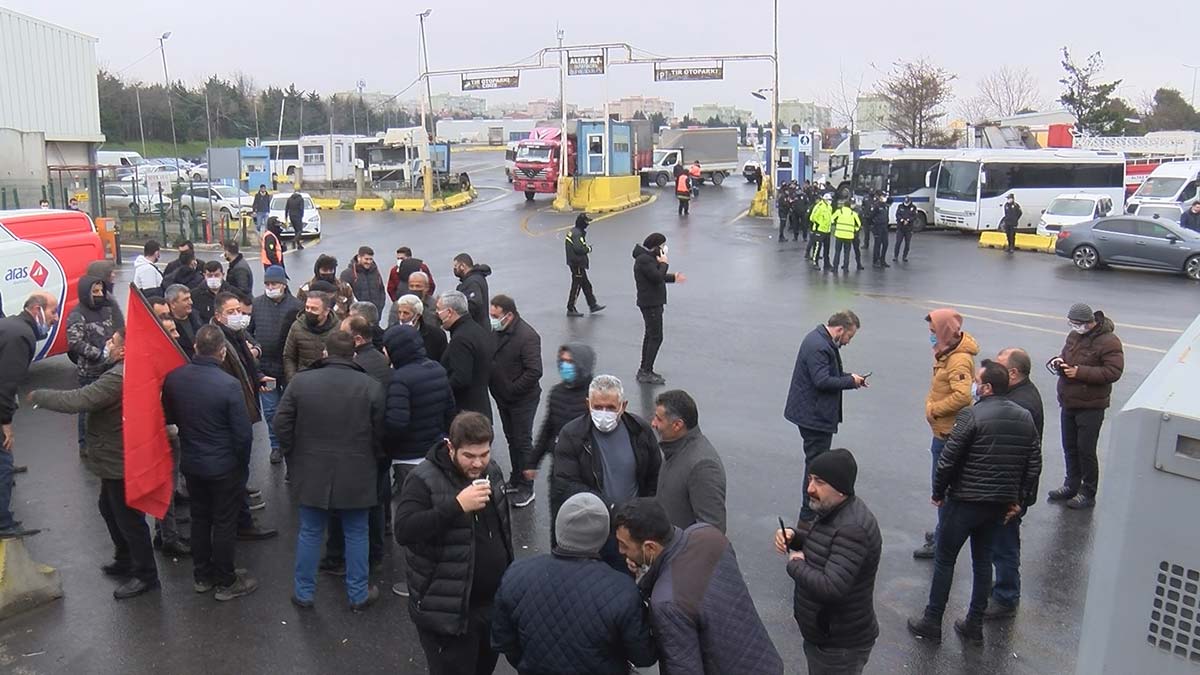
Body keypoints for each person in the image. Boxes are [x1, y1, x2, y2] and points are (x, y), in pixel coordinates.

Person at [907, 360, 1041, 645]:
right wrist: (1021, 499)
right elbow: (1033, 463)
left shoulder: (971, 415)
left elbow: (949, 459)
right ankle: (974, 624)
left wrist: (938, 492)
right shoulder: (1024, 417)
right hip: (998, 505)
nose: (974, 386)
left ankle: (932, 620)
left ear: (988, 387)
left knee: (945, 559)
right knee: (983, 562)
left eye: (978, 381)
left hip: (965, 501)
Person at [29, 331, 161, 599]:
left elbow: (80, 400)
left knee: (128, 517)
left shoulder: (118, 377)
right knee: (109, 508)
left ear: (124, 351)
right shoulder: (123, 369)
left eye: (112, 342)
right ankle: (126, 559)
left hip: (118, 457)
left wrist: (39, 396)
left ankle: (146, 575)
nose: (107, 344)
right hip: (113, 455)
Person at [394, 412, 514, 675]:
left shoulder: (491, 471)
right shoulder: (422, 479)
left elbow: (502, 530)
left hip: (490, 607)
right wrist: (457, 506)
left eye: (484, 454)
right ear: (451, 447)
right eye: (469, 456)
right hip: (448, 612)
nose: (478, 463)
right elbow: (404, 530)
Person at [275, 330, 385, 611]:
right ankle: (358, 594)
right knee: (357, 532)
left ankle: (304, 593)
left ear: (325, 352)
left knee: (310, 532)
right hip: (357, 471)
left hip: (311, 470)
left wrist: (294, 455)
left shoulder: (301, 383)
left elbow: (281, 424)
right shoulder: (370, 386)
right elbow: (381, 435)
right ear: (354, 354)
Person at [491, 492, 656, 675]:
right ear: (603, 536)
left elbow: (504, 641)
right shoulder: (623, 591)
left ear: (559, 526)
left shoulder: (516, 573)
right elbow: (644, 656)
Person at [614, 498, 784, 674]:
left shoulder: (667, 602)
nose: (620, 551)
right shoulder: (707, 535)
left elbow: (683, 668)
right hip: (765, 662)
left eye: (624, 545)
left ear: (650, 547)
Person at [162, 325, 259, 601]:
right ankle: (226, 580)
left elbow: (170, 417)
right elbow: (243, 435)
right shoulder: (228, 385)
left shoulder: (174, 379)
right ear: (222, 351)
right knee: (224, 523)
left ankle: (202, 575)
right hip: (224, 466)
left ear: (195, 347)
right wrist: (241, 465)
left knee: (200, 520)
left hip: (192, 464)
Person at [776, 448, 881, 674]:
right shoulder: (835, 510)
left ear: (841, 488)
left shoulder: (852, 529)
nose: (810, 488)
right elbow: (826, 546)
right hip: (828, 636)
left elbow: (831, 587)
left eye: (820, 482)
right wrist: (795, 538)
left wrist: (795, 565)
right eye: (811, 479)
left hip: (839, 645)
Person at [553, 375, 661, 571]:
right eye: (598, 407)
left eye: (611, 408)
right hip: (591, 527)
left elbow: (654, 476)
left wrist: (644, 515)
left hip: (630, 529)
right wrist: (610, 507)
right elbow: (566, 485)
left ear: (623, 405)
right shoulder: (572, 435)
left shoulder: (640, 431)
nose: (604, 413)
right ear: (588, 404)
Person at [381, 323, 456, 597]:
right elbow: (450, 409)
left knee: (412, 519)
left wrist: (385, 444)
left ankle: (418, 580)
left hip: (408, 457)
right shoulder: (436, 368)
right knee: (435, 510)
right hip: (434, 452)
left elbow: (397, 423)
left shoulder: (400, 379)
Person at [783, 311, 868, 523]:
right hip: (815, 417)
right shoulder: (819, 346)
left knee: (815, 463)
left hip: (813, 413)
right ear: (840, 330)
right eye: (850, 336)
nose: (848, 341)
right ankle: (808, 516)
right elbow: (822, 381)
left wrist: (851, 378)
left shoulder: (820, 340)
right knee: (815, 466)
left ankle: (810, 513)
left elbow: (828, 375)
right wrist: (850, 382)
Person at [914, 308, 979, 560]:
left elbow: (963, 396)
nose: (930, 337)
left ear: (944, 331)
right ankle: (943, 532)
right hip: (942, 431)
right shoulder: (946, 352)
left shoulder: (958, 359)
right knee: (943, 489)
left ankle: (943, 541)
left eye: (933, 332)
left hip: (948, 433)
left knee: (943, 491)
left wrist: (934, 410)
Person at [1047, 303, 1124, 509]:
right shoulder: (1074, 337)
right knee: (1069, 446)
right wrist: (1059, 362)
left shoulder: (1109, 341)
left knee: (1086, 449)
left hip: (1091, 405)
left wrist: (1079, 372)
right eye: (1071, 323)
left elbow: (1113, 372)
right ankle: (1071, 484)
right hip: (1069, 401)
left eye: (1077, 324)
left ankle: (1088, 492)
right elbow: (1066, 356)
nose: (1074, 327)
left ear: (1089, 322)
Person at [987, 347, 1044, 620]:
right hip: (1006, 486)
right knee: (997, 540)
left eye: (999, 367)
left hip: (1009, 490)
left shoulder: (1022, 405)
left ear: (1013, 372)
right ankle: (1000, 589)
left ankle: (1006, 596)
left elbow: (1023, 457)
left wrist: (1017, 498)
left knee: (1005, 542)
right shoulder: (1017, 395)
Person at [0, 292, 59, 539]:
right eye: (53, 312)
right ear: (37, 310)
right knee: (3, 463)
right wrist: (5, 423)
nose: (56, 318)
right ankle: (3, 524)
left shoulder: (12, 326)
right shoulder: (21, 336)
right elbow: (5, 384)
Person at [527, 343, 596, 521]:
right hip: (558, 471)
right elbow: (548, 428)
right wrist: (533, 462)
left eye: (570, 362)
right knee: (558, 522)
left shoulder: (596, 397)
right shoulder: (557, 393)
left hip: (585, 475)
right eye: (562, 361)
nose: (565, 366)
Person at [487, 295, 542, 507]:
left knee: (523, 442)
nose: (492, 320)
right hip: (504, 398)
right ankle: (516, 478)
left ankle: (528, 488)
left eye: (495, 316)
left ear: (509, 315)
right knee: (512, 440)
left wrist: (511, 389)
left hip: (522, 399)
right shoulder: (498, 331)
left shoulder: (527, 336)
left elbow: (534, 371)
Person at [652, 389, 726, 533]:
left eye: (659, 419)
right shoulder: (674, 448)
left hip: (681, 553)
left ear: (677, 425)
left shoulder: (703, 466)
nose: (653, 424)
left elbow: (711, 532)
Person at [248, 265, 301, 465]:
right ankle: (275, 446)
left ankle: (290, 446)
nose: (270, 287)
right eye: (267, 284)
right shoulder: (257, 304)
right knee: (271, 411)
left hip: (289, 371)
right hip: (266, 372)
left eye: (274, 283)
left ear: (284, 285)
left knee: (289, 410)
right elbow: (248, 333)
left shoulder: (296, 306)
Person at [66, 274, 120, 459]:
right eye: (94, 291)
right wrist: (98, 354)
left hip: (109, 367)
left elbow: (114, 331)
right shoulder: (77, 314)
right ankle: (85, 444)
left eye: (100, 291)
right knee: (87, 409)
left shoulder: (106, 310)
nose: (98, 294)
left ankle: (105, 441)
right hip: (89, 370)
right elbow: (75, 343)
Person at [632, 233, 686, 385]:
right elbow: (656, 277)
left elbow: (657, 276)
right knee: (656, 337)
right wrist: (664, 263)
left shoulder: (647, 259)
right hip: (650, 303)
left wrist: (674, 277)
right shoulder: (644, 260)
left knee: (650, 336)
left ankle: (645, 368)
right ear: (656, 247)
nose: (664, 249)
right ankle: (645, 371)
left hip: (652, 302)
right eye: (662, 246)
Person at [437, 290, 494, 420]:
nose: (437, 314)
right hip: (481, 408)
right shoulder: (477, 330)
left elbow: (460, 378)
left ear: (450, 312)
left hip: (466, 414)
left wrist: (438, 390)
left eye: (439, 309)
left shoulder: (460, 339)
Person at [283, 290, 340, 382]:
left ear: (326, 311)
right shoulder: (297, 326)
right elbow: (289, 357)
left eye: (314, 309)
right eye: (307, 308)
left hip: (330, 381)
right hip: (304, 380)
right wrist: (293, 380)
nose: (309, 312)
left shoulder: (338, 328)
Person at [564, 213, 605, 317]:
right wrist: (588, 249)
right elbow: (579, 248)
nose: (588, 224)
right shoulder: (577, 234)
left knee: (586, 284)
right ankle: (571, 308)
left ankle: (592, 304)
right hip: (577, 263)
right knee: (577, 285)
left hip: (576, 263)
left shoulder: (574, 231)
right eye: (586, 222)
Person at [297, 255, 356, 321]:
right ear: (317, 270)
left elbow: (353, 310)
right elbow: (299, 312)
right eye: (324, 270)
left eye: (331, 270)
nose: (328, 272)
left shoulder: (344, 287)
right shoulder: (305, 289)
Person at [395, 293, 446, 362]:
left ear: (417, 315)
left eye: (406, 313)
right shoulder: (391, 333)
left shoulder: (436, 335)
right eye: (399, 312)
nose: (401, 317)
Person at [340, 246, 386, 318]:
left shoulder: (376, 272)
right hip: (356, 317)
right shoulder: (347, 274)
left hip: (374, 316)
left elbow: (381, 290)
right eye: (366, 259)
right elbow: (343, 296)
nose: (369, 262)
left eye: (371, 259)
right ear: (359, 257)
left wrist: (379, 309)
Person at [453, 253, 492, 328]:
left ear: (463, 266)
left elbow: (474, 304)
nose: (454, 269)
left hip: (477, 327)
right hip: (481, 325)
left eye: (455, 266)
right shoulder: (478, 278)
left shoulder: (472, 282)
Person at [831, 199, 863, 272]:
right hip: (849, 236)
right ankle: (846, 268)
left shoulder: (839, 211)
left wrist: (836, 225)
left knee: (837, 252)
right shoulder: (853, 213)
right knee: (847, 253)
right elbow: (859, 224)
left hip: (839, 235)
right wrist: (855, 229)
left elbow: (832, 219)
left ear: (844, 205)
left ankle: (835, 268)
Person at [810, 193, 834, 271]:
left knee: (827, 248)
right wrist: (819, 224)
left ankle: (827, 263)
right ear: (825, 199)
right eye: (829, 200)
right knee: (817, 247)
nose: (830, 201)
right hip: (819, 230)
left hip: (827, 230)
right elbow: (812, 217)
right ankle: (815, 262)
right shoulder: (819, 206)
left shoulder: (829, 207)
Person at [870, 193, 891, 268]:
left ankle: (883, 260)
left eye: (885, 197)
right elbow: (871, 216)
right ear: (880, 197)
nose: (884, 198)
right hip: (877, 227)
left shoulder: (886, 206)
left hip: (884, 226)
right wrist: (874, 227)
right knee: (877, 244)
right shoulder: (876, 206)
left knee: (885, 244)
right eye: (883, 196)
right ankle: (876, 261)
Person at [894, 196, 917, 262]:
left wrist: (908, 220)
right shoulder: (900, 206)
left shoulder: (913, 207)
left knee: (907, 244)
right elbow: (897, 214)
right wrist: (901, 220)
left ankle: (904, 256)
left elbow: (914, 216)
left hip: (909, 228)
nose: (906, 203)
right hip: (900, 227)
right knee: (898, 243)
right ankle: (896, 256)